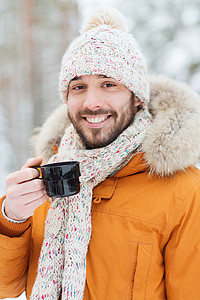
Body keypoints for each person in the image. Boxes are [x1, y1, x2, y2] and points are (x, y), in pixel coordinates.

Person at [1, 7, 200, 300]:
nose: (92, 102)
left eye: (109, 84)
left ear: (137, 98)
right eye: (79, 87)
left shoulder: (184, 191)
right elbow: (6, 287)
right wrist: (12, 218)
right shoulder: (49, 176)